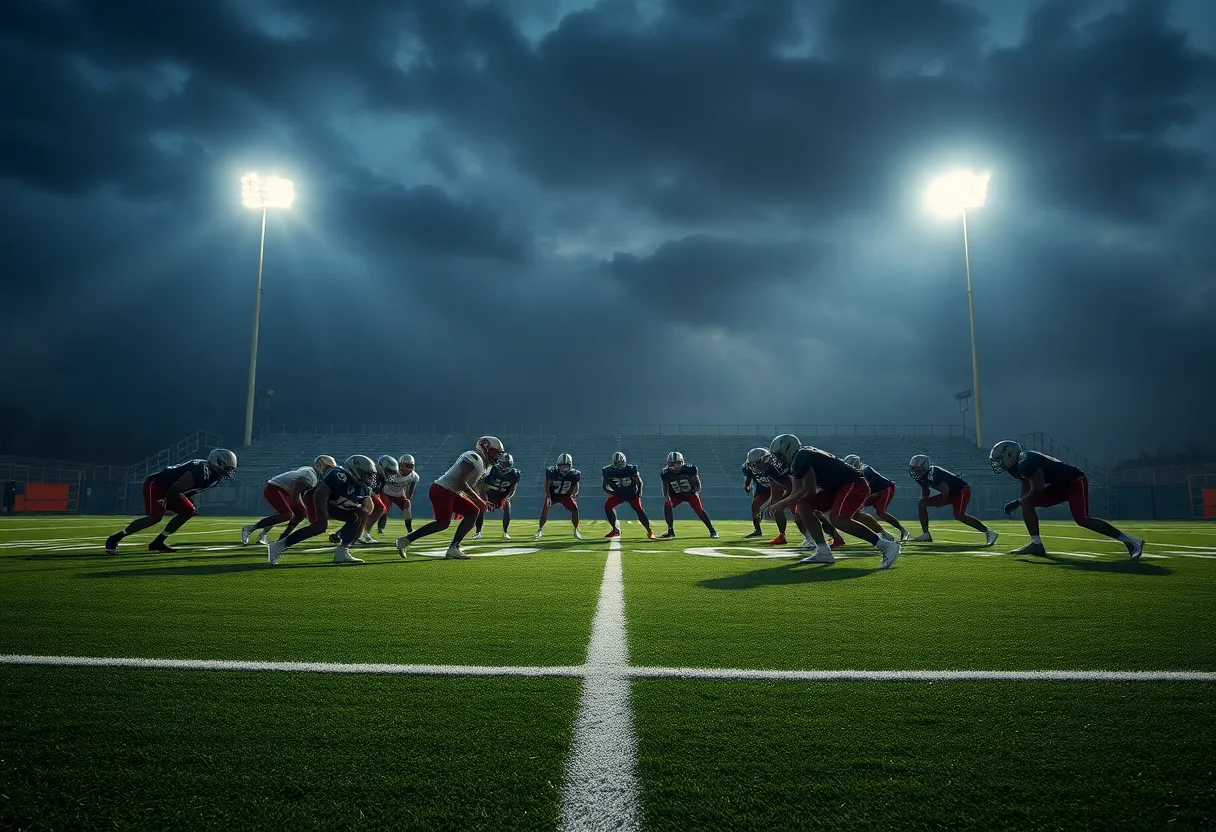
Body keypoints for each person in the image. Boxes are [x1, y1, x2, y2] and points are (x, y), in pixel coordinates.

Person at [989, 440, 1144, 558]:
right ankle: (1036, 544)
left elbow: (1038, 488)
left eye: (1000, 458)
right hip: (1059, 485)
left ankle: (1131, 541)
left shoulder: (1027, 460)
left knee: (1082, 519)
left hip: (1074, 481)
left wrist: (1018, 502)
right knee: (1027, 503)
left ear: (1010, 455)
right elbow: (1026, 485)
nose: (999, 463)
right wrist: (1022, 501)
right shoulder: (1016, 466)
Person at [763, 434, 900, 568]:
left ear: (788, 450)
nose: (778, 460)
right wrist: (777, 504)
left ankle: (886, 545)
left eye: (779, 455)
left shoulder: (801, 456)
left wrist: (781, 504)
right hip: (838, 487)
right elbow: (798, 492)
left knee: (838, 519)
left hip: (853, 483)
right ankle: (823, 551)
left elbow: (809, 491)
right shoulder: (799, 458)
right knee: (804, 505)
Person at [105, 449, 237, 554]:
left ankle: (158, 542)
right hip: (157, 485)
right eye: (228, 467)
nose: (229, 471)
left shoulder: (213, 475)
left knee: (188, 511)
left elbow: (186, 490)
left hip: (171, 489)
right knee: (155, 517)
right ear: (217, 462)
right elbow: (177, 488)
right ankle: (114, 539)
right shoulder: (202, 470)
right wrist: (166, 504)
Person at [395, 436, 504, 560]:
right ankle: (405, 540)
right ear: (485, 447)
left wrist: (480, 500)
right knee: (443, 523)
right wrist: (478, 500)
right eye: (494, 452)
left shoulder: (485, 466)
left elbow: (468, 484)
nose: (496, 456)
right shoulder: (474, 457)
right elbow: (461, 483)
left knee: (473, 512)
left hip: (450, 491)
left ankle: (454, 548)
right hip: (443, 489)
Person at [267, 455, 377, 565]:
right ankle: (278, 546)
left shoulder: (363, 488)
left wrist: (358, 526)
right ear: (355, 470)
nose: (369, 478)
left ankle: (342, 552)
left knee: (357, 516)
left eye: (370, 475)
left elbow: (368, 508)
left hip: (333, 503)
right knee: (320, 527)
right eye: (366, 474)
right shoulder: (339, 474)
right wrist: (322, 517)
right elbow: (320, 493)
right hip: (315, 498)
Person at [242, 455, 337, 545]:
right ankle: (250, 529)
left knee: (296, 514)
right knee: (288, 514)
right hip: (275, 488)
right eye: (328, 468)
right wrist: (301, 507)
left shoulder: (311, 472)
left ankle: (281, 537)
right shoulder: (311, 476)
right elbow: (296, 491)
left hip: (282, 490)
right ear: (322, 466)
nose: (329, 471)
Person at [908, 455, 998, 547]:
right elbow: (925, 489)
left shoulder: (934, 472)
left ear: (925, 466)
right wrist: (925, 503)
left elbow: (945, 488)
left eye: (917, 469)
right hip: (949, 492)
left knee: (959, 515)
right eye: (914, 469)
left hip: (961, 490)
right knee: (921, 504)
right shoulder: (920, 476)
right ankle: (926, 534)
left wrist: (942, 501)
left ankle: (989, 532)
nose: (915, 471)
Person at [843, 454, 908, 542]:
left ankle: (903, 530)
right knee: (856, 512)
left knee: (881, 512)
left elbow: (866, 489)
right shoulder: (858, 472)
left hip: (884, 489)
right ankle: (881, 533)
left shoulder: (865, 471)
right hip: (872, 492)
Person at [658, 451, 718, 539]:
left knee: (699, 510)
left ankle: (712, 530)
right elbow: (665, 487)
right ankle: (670, 530)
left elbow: (697, 483)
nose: (675, 466)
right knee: (667, 505)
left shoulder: (689, 469)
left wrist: (696, 491)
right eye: (672, 463)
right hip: (676, 495)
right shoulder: (666, 473)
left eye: (677, 463)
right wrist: (667, 497)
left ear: (682, 462)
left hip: (690, 493)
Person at [601, 451, 654, 539]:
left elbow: (639, 482)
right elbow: (604, 485)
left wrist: (638, 494)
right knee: (608, 506)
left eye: (620, 464)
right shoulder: (607, 471)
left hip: (631, 494)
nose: (619, 466)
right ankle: (615, 530)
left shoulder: (631, 469)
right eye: (616, 464)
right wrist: (612, 493)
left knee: (639, 510)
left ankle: (649, 531)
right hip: (618, 494)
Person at [474, 452, 520, 540]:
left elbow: (512, 490)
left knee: (507, 506)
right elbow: (482, 487)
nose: (503, 466)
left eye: (506, 464)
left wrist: (507, 499)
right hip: (489, 495)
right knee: (481, 507)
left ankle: (505, 532)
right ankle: (478, 532)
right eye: (502, 463)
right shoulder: (492, 470)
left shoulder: (515, 473)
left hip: (501, 497)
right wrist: (485, 501)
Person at [536, 453, 582, 540]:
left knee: (575, 508)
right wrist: (548, 496)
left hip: (565, 496)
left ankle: (576, 530)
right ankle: (540, 529)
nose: (564, 468)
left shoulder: (574, 474)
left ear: (570, 466)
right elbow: (547, 484)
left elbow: (576, 486)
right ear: (558, 465)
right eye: (562, 466)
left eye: (566, 466)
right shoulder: (552, 472)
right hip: (554, 495)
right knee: (545, 506)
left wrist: (573, 495)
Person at [377, 454, 420, 535]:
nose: (407, 469)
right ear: (399, 465)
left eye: (410, 466)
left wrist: (408, 499)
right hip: (386, 492)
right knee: (385, 508)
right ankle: (380, 528)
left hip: (398, 493)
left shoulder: (414, 476)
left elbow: (411, 488)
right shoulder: (392, 471)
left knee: (407, 506)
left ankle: (409, 530)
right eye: (404, 465)